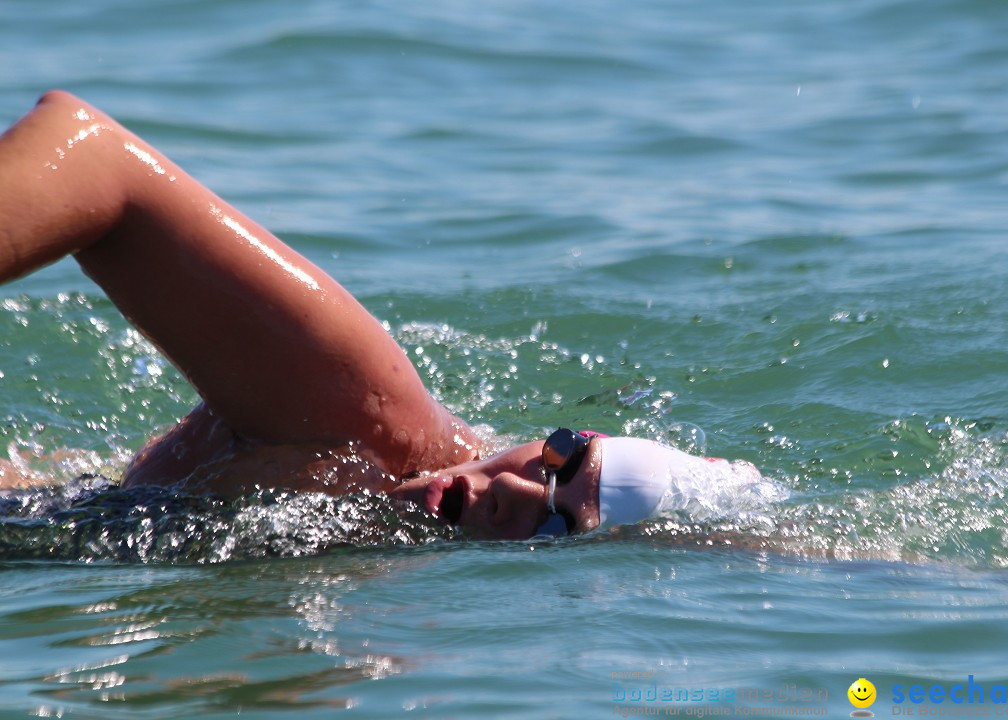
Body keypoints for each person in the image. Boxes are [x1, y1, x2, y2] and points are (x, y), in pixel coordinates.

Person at [0, 91, 752, 540]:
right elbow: (95, 159)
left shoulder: (382, 577)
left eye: (559, 521)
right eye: (561, 461)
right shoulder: (366, 416)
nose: (514, 495)